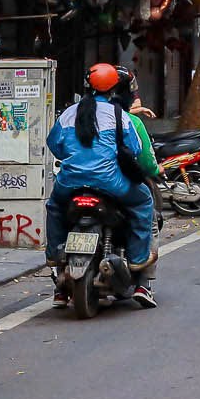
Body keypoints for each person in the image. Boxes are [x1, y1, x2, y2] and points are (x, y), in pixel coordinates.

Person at [46, 63, 159, 305]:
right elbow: (135, 149)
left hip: (70, 182)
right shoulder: (119, 115)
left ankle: (54, 254)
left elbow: (54, 144)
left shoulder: (68, 113)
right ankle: (138, 258)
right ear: (115, 89)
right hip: (110, 183)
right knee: (144, 202)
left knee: (55, 206)